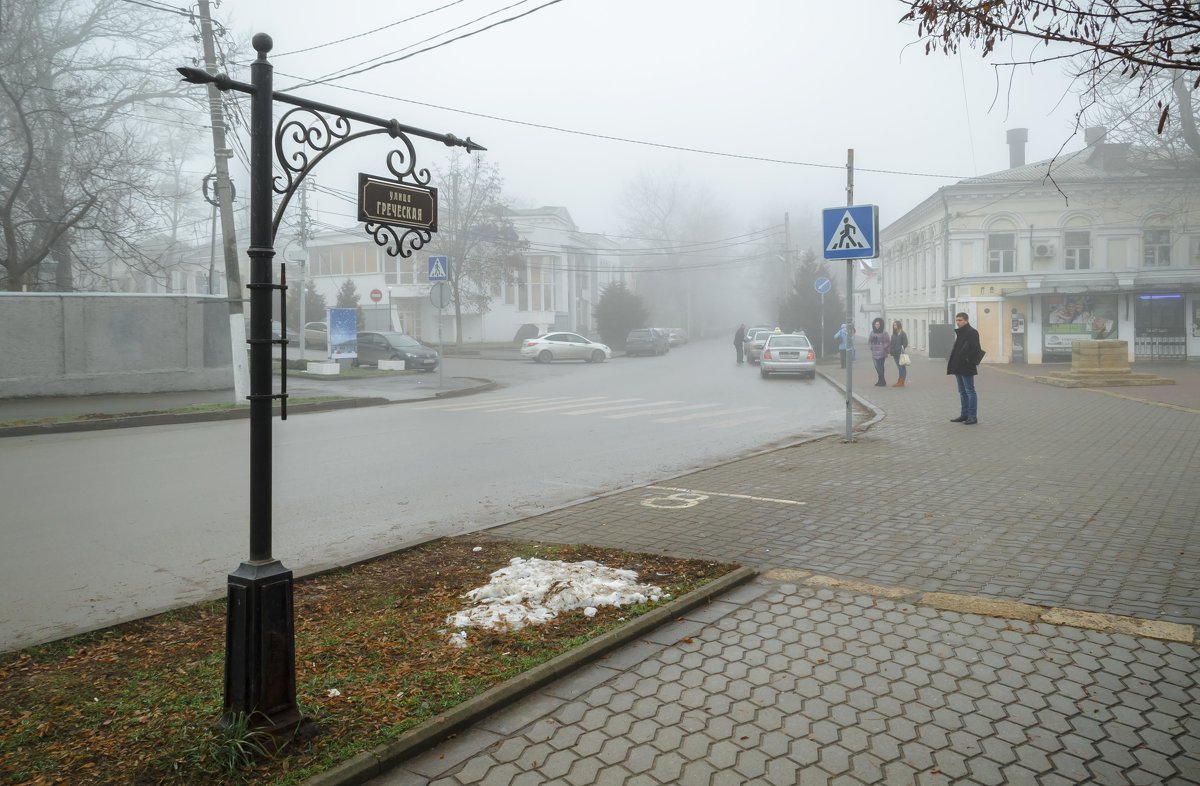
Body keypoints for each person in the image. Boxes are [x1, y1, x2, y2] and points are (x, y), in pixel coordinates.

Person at [946, 312, 984, 425]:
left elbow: (976, 349)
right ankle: (964, 414)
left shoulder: (972, 332)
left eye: (960, 320)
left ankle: (972, 416)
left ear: (966, 320)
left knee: (970, 391)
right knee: (962, 391)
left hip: (966, 366)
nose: (958, 322)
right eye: (957, 320)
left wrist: (967, 360)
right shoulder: (960, 332)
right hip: (958, 366)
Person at [868, 317, 890, 386]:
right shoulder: (872, 332)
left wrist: (884, 346)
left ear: (880, 325)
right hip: (874, 352)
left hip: (881, 353)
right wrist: (871, 346)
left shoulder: (884, 333)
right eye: (875, 324)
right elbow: (869, 341)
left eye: (878, 324)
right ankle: (881, 380)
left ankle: (881, 381)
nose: (877, 325)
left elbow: (888, 341)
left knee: (881, 367)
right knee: (876, 367)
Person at [889, 320, 909, 388]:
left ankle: (901, 382)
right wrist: (890, 350)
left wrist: (901, 348)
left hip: (900, 353)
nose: (894, 326)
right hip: (894, 353)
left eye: (896, 325)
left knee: (902, 368)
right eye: (894, 325)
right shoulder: (893, 334)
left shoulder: (903, 333)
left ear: (899, 325)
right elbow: (891, 343)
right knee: (899, 367)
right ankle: (900, 381)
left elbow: (905, 343)